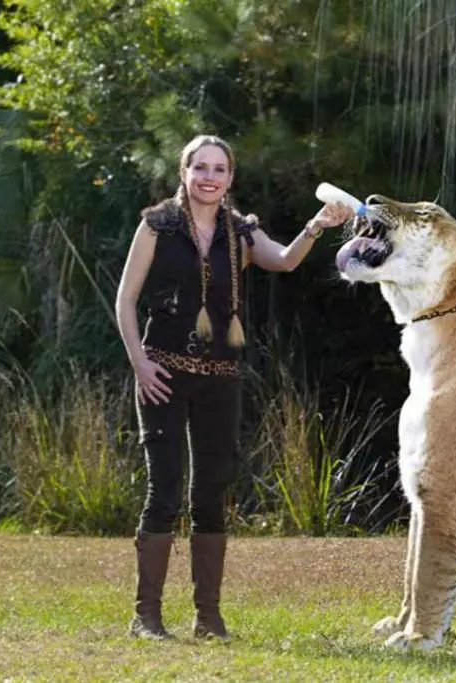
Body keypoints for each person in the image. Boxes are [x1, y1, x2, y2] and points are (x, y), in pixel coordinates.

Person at [115, 134, 353, 640]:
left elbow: (284, 260)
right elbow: (126, 299)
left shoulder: (241, 232)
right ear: (184, 172)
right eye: (200, 167)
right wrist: (139, 363)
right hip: (161, 374)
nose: (209, 177)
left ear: (230, 178)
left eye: (219, 169)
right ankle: (147, 617)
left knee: (212, 492)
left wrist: (317, 226)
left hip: (221, 377)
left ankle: (208, 618)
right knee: (165, 488)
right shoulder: (156, 225)